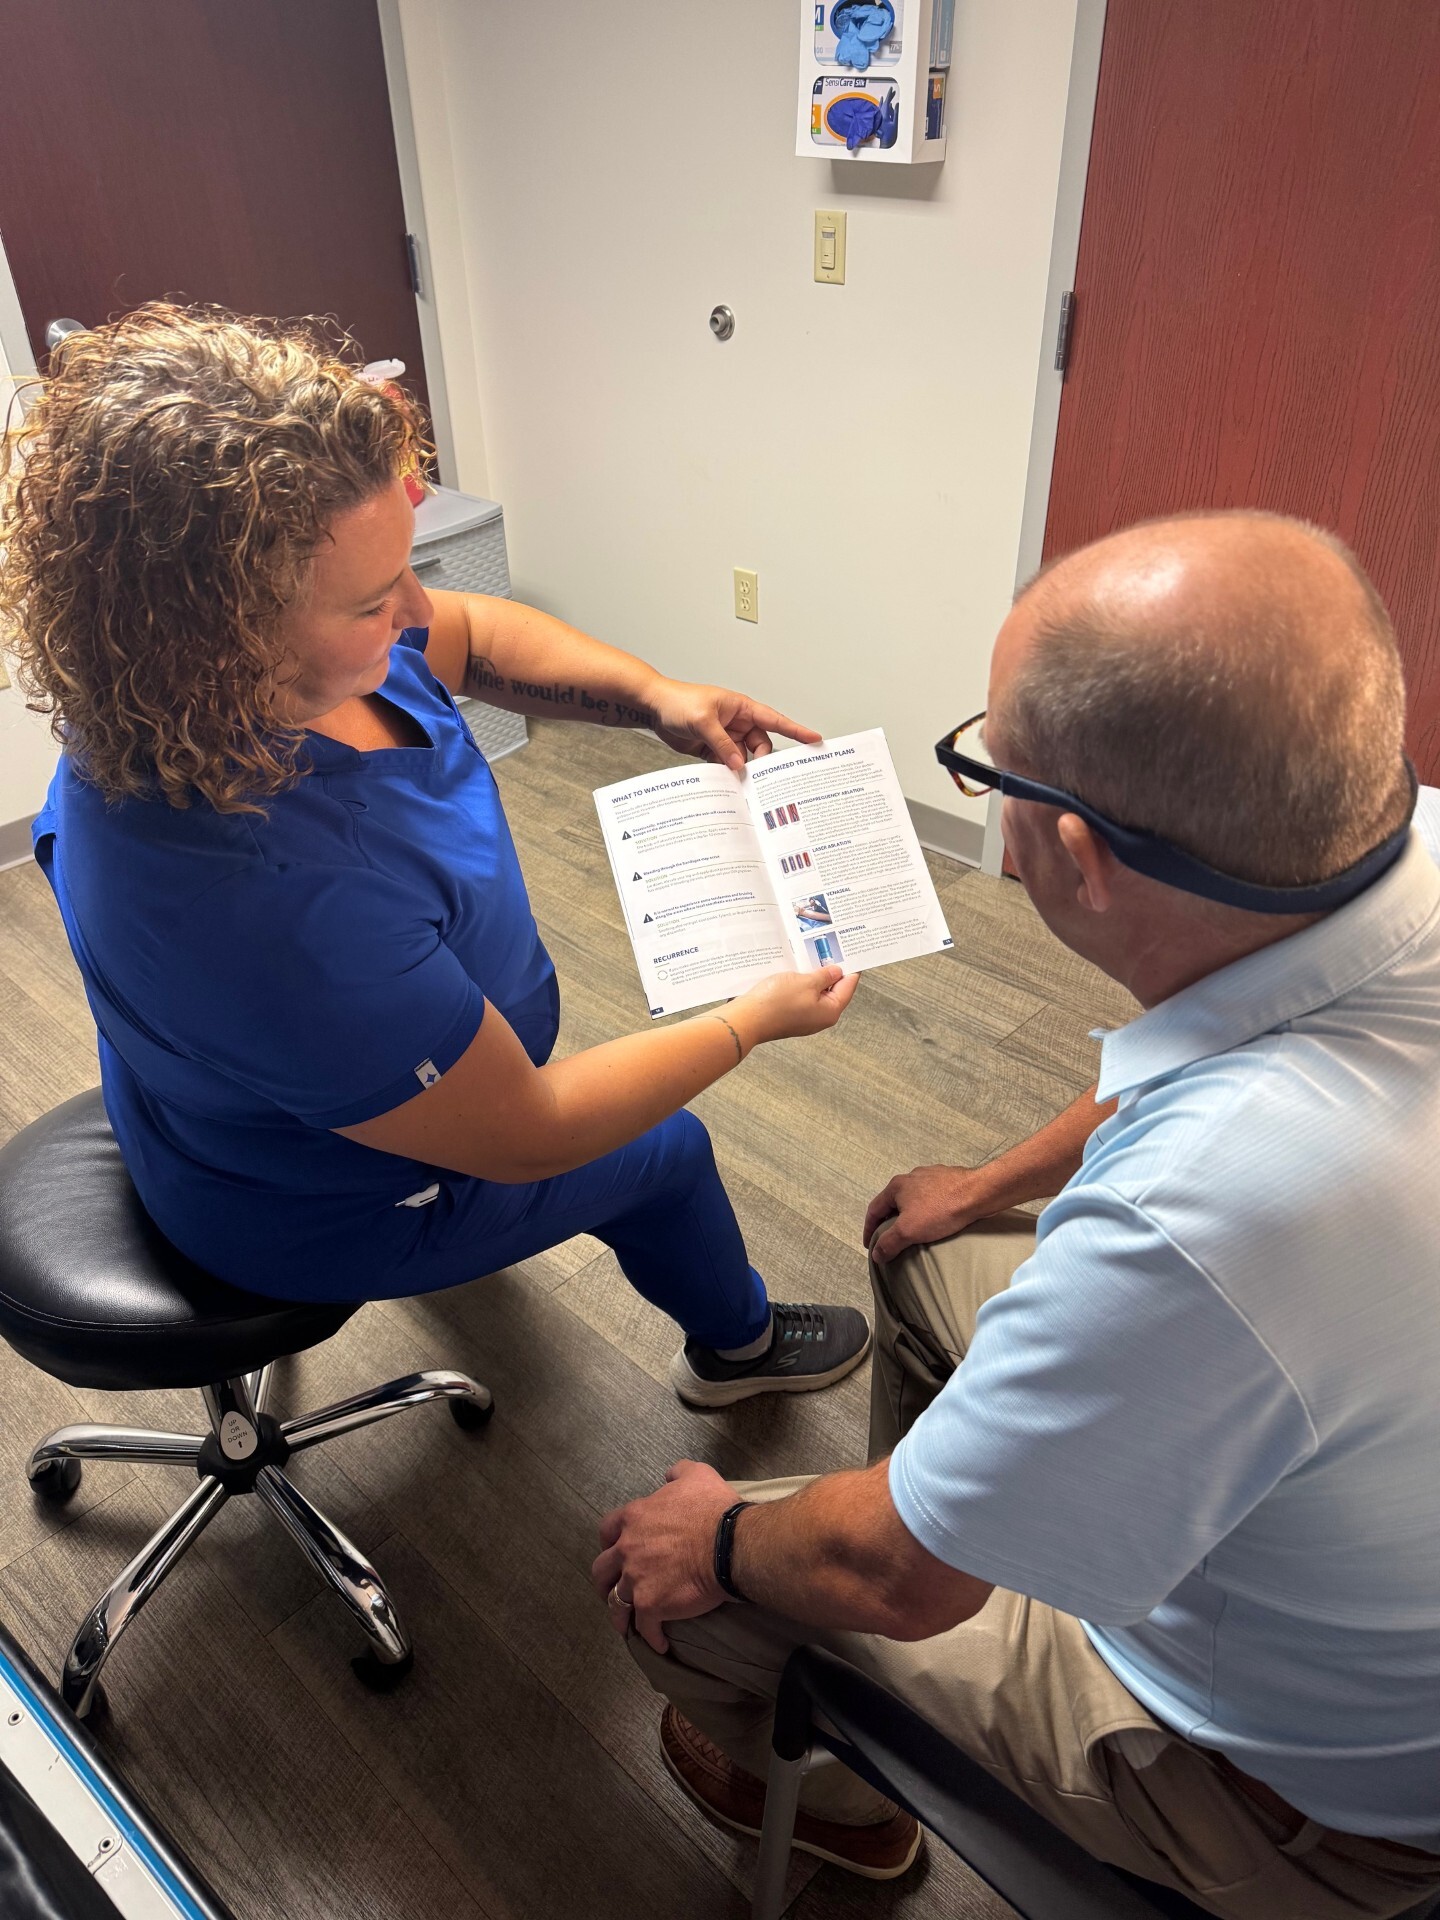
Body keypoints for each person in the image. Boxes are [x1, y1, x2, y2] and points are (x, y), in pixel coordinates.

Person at [593, 511, 1440, 1919]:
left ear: (1074, 854)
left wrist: (729, 1540)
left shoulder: (1208, 1218)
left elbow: (891, 1576)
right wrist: (989, 1187)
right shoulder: (1391, 872)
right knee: (936, 1257)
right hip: (1369, 1528)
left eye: (986, 764)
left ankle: (840, 1809)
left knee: (672, 1573)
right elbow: (1225, 1056)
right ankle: (990, 1490)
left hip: (1299, 1806)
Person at [0, 304, 870, 1407]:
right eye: (374, 601)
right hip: (305, 1205)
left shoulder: (166, 690)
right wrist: (750, 1019)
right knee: (667, 1155)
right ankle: (738, 1353)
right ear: (218, 636)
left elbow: (474, 635)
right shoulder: (272, 904)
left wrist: (654, 696)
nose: (414, 611)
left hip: (246, 1099)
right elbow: (528, 1132)